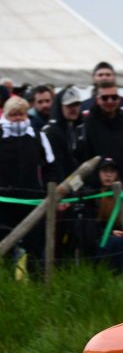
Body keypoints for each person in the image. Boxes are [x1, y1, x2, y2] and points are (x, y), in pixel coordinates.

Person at [0, 96, 55, 265]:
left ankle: (37, 285)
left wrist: (49, 193)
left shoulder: (38, 137)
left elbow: (50, 167)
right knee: (5, 248)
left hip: (32, 201)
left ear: (27, 115)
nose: (17, 118)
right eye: (13, 114)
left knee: (35, 247)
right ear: (6, 116)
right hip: (4, 203)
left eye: (21, 114)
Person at [82, 81, 123, 191]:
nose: (110, 101)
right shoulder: (89, 122)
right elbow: (86, 154)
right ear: (98, 99)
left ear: (119, 99)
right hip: (97, 187)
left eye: (114, 97)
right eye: (105, 98)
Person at [43, 87, 84, 183]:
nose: (73, 108)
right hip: (60, 188)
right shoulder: (52, 131)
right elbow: (56, 166)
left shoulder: (78, 128)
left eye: (76, 104)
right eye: (69, 105)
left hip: (74, 184)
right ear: (60, 106)